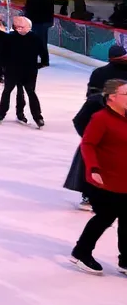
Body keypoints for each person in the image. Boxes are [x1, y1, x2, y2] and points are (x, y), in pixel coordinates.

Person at [71, 78, 127, 274]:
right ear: (112, 97)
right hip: (104, 180)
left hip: (124, 179)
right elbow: (88, 144)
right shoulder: (101, 119)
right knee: (105, 217)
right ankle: (81, 252)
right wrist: (94, 169)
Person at [0, 14, 46, 127]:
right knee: (7, 92)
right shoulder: (9, 37)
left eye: (22, 26)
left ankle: (36, 117)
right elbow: (2, 53)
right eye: (17, 26)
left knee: (29, 93)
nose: (19, 28)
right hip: (12, 70)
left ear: (29, 27)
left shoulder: (35, 38)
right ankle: (1, 114)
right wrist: (4, 66)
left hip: (29, 72)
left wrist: (40, 64)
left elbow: (43, 53)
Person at [67, 84, 108, 211]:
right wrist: (89, 137)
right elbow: (79, 120)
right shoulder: (95, 102)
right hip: (95, 143)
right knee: (91, 167)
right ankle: (88, 196)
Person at [24, 0, 54, 64]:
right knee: (42, 41)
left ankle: (40, 59)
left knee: (37, 42)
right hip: (44, 23)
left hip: (36, 23)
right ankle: (44, 59)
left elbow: (28, 12)